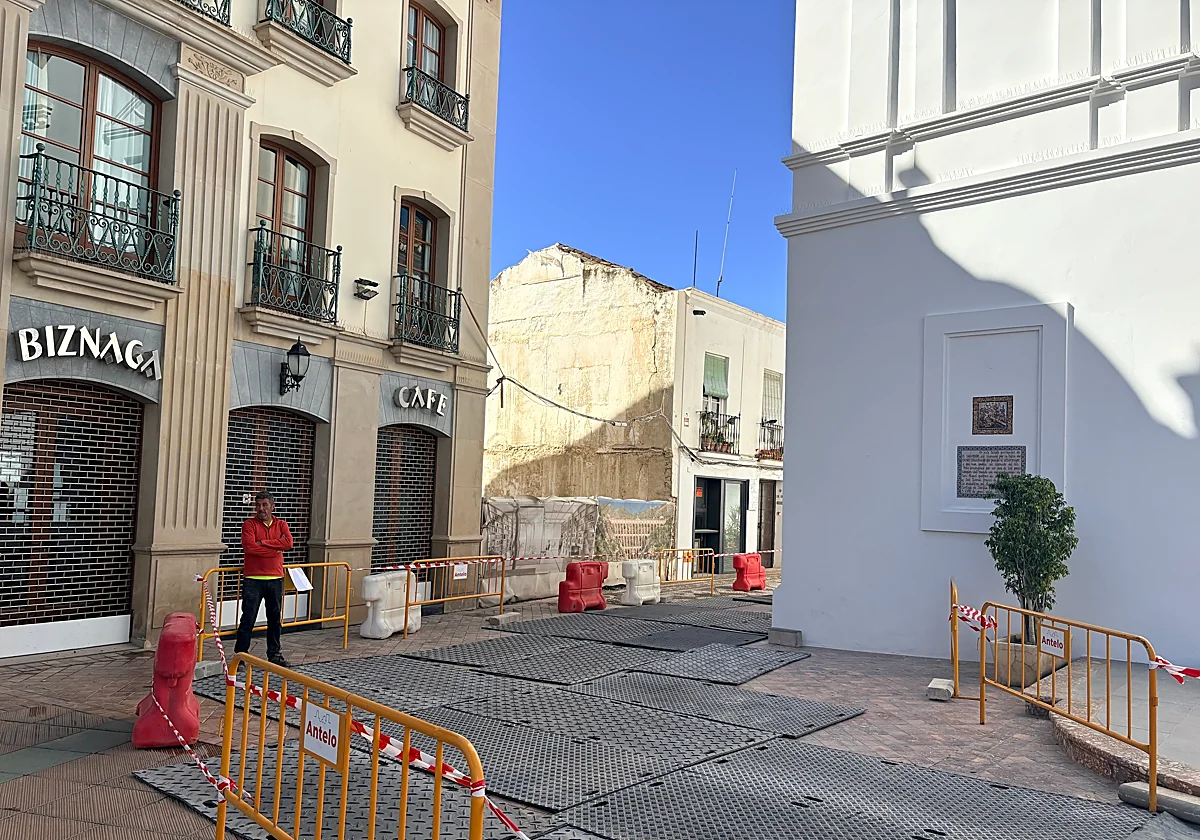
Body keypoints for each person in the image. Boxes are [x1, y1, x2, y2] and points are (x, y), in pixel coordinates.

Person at [234, 490, 293, 667]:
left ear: (272, 507)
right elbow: (249, 548)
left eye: (265, 505)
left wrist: (264, 543)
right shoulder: (249, 525)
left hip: (276, 578)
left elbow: (288, 543)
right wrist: (275, 549)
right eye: (258, 505)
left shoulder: (281, 524)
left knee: (274, 619)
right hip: (253, 579)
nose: (261, 508)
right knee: (248, 619)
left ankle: (274, 654)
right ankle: (241, 655)